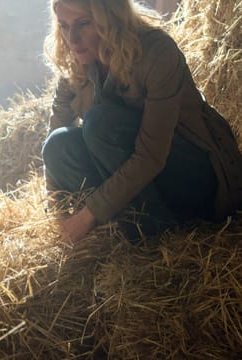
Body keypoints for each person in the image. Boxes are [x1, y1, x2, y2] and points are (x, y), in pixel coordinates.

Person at [41, 0, 242, 243]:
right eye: (63, 26)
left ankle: (154, 232)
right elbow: (56, 128)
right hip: (136, 179)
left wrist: (88, 215)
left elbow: (151, 156)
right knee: (57, 145)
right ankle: (121, 223)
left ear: (110, 18)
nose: (72, 39)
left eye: (84, 23)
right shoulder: (77, 59)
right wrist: (56, 209)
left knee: (100, 124)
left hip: (193, 173)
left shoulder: (157, 51)